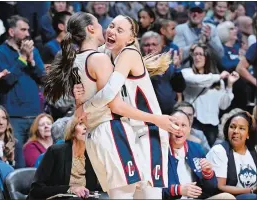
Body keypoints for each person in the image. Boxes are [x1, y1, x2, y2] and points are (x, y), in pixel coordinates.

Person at [44, 12, 177, 199]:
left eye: (119, 29)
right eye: (111, 26)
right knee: (132, 193)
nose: (111, 30)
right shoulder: (102, 55)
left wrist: (83, 107)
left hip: (148, 129)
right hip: (126, 128)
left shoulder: (128, 53)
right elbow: (100, 92)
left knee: (147, 194)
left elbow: (107, 96)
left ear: (131, 38)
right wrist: (80, 102)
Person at [0, 15, 45, 146]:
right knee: (15, 155)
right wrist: (22, 58)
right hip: (13, 117)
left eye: (28, 30)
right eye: (23, 30)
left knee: (36, 158)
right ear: (11, 32)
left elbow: (43, 78)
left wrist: (31, 62)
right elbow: (8, 80)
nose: (27, 34)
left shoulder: (34, 51)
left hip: (35, 114)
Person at [163, 110, 235, 199]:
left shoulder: (196, 148)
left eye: (183, 125)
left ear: (189, 129)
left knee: (226, 197)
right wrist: (178, 189)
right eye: (175, 125)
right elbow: (152, 189)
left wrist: (208, 174)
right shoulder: (160, 151)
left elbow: (211, 188)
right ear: (167, 128)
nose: (179, 129)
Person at [28, 117, 101, 199]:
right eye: (81, 124)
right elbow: (36, 189)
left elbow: (94, 187)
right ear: (72, 131)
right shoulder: (56, 151)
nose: (86, 127)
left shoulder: (92, 155)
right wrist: (70, 189)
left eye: (89, 124)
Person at [182, 43, 239, 146]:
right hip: (194, 122)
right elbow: (197, 81)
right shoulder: (187, 73)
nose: (197, 57)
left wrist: (229, 85)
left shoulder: (218, 81)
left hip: (212, 126)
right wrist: (218, 77)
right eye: (195, 54)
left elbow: (223, 105)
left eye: (200, 54)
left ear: (207, 57)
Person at [207, 112, 257, 199]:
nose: (235, 131)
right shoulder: (219, 150)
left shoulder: (254, 150)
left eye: (241, 128)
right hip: (227, 197)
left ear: (248, 134)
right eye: (232, 127)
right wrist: (252, 190)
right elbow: (221, 186)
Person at [140, 31, 185, 115]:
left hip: (168, 113)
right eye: (147, 45)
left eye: (154, 44)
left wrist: (177, 68)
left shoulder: (169, 64)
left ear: (161, 46)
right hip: (145, 114)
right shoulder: (137, 65)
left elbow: (180, 88)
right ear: (141, 47)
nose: (150, 48)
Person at [173, 1, 224, 69]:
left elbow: (220, 55)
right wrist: (195, 44)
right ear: (188, 13)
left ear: (204, 14)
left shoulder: (211, 28)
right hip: (188, 71)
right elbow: (177, 56)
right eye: (193, 11)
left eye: (199, 11)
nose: (196, 14)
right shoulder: (180, 29)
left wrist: (209, 40)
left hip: (208, 71)